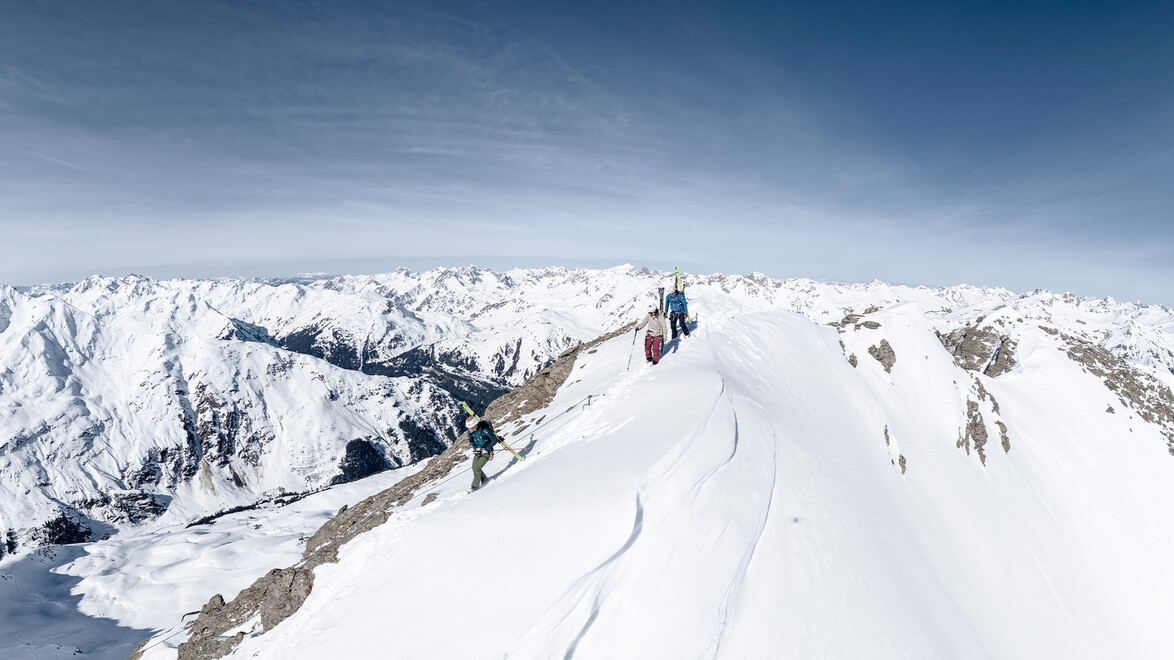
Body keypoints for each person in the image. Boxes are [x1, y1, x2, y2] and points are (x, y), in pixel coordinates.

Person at [467, 416, 500, 490]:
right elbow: (472, 441)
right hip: (478, 451)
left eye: (470, 428)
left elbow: (494, 440)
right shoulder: (470, 433)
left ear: (475, 426)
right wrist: (476, 448)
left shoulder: (484, 430)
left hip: (487, 452)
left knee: (476, 468)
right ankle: (484, 480)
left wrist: (486, 449)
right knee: (474, 468)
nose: (469, 430)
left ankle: (475, 486)